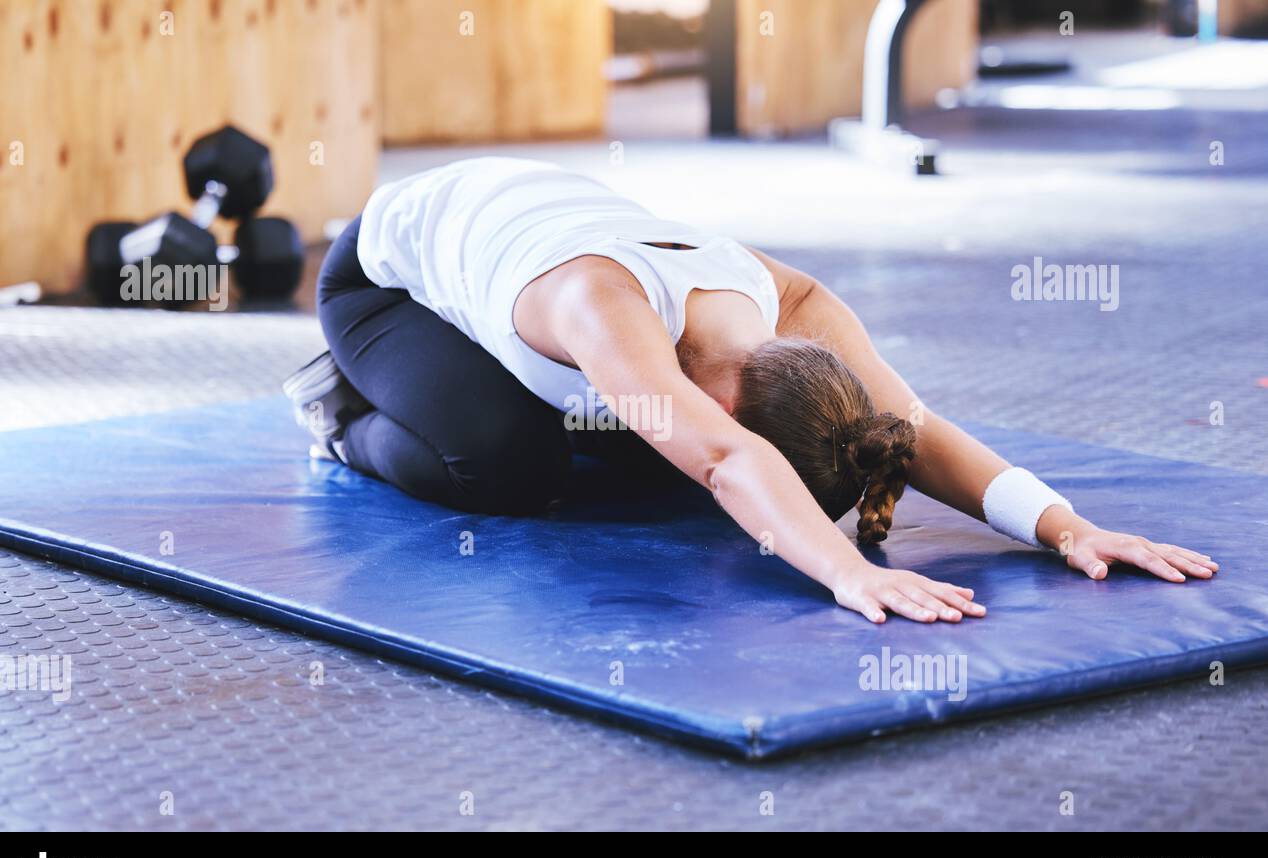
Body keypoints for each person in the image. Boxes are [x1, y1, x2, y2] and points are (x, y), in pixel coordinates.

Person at [284, 157, 1217, 623]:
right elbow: (728, 458)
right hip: (387, 280)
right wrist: (853, 573)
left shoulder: (797, 309)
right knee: (507, 469)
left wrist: (1066, 526)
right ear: (733, 405)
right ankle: (339, 413)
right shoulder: (603, 305)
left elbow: (911, 429)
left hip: (519, 250)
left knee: (653, 448)